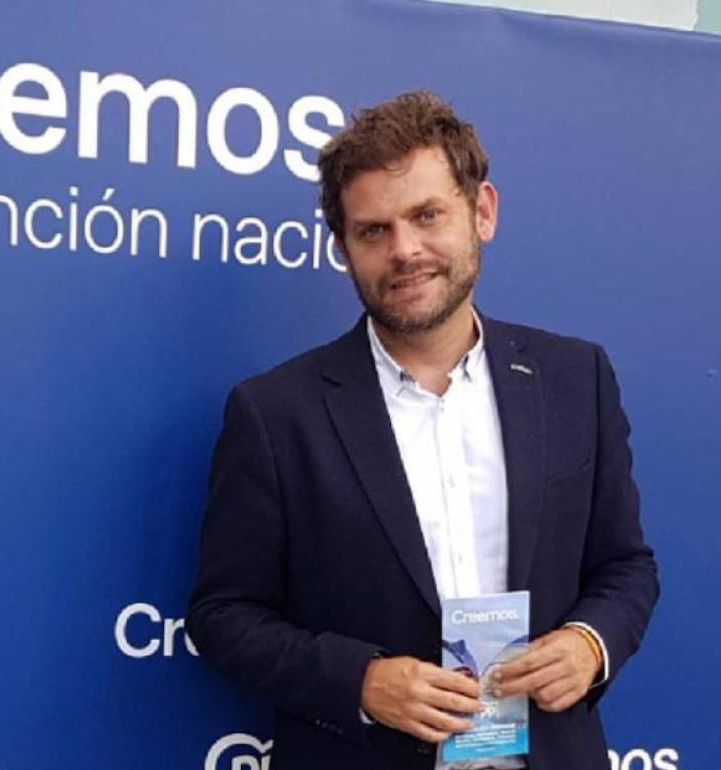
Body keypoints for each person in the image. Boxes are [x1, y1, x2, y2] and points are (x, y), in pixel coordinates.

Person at [186, 90, 658, 770]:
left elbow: (626, 566)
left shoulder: (574, 378)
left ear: (482, 212)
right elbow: (225, 616)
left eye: (427, 215)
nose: (404, 250)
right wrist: (361, 681)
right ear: (345, 248)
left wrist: (590, 643)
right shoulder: (275, 413)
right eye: (373, 230)